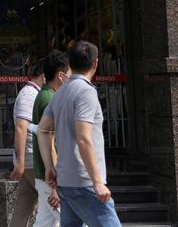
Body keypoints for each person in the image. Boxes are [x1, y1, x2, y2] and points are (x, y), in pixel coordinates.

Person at [37, 41, 121, 227]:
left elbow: (42, 130)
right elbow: (83, 138)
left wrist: (49, 166)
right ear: (95, 63)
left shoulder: (59, 92)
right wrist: (97, 182)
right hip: (85, 181)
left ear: (70, 65)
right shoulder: (86, 92)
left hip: (66, 181)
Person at [30, 51, 70, 227]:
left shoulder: (46, 95)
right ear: (61, 75)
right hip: (51, 176)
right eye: (70, 73)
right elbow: (51, 143)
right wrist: (56, 183)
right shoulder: (50, 100)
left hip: (44, 174)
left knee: (45, 222)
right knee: (71, 221)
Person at [9, 64, 45, 227]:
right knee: (55, 205)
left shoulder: (33, 93)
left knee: (25, 203)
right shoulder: (29, 95)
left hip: (29, 161)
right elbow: (21, 127)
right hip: (32, 161)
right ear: (44, 76)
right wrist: (21, 162)